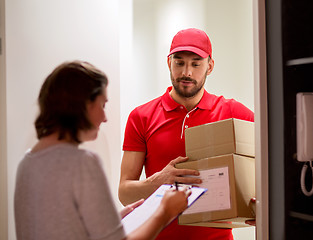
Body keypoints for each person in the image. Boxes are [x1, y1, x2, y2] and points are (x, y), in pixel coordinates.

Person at [14, 60, 191, 240]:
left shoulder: (27, 163)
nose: (105, 118)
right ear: (82, 105)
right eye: (102, 105)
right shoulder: (83, 162)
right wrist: (164, 213)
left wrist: (113, 223)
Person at [119, 28, 254, 240]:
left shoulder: (232, 112)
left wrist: (262, 205)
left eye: (196, 64)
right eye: (179, 62)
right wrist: (157, 182)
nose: (186, 73)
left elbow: (271, 163)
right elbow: (125, 193)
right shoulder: (141, 117)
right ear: (168, 63)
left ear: (209, 66)